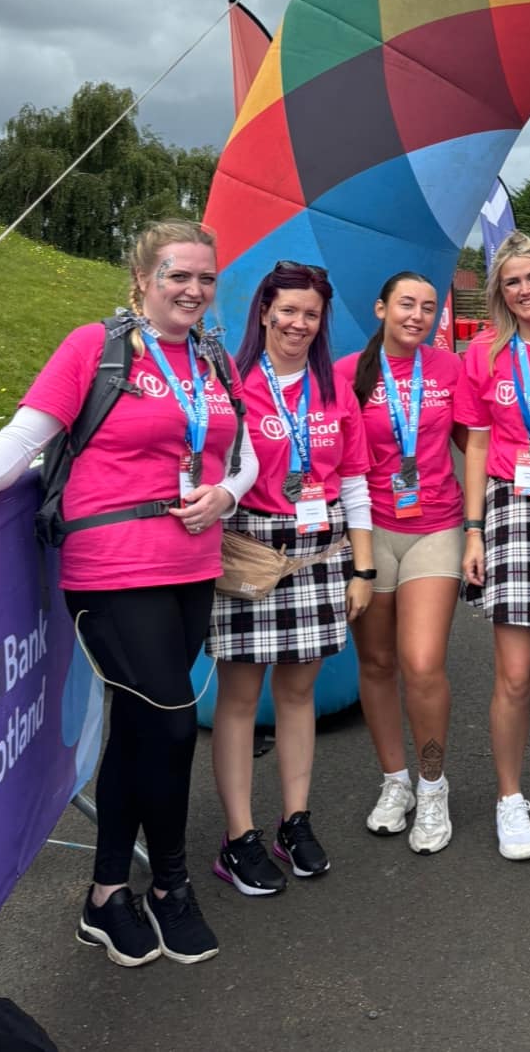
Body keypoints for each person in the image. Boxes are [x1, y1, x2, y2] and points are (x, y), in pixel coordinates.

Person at [0, 221, 257, 967]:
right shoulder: (96, 345)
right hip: (111, 565)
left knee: (143, 728)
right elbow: (29, 431)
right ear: (142, 277)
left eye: (206, 278)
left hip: (192, 564)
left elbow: (240, 453)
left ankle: (105, 893)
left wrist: (224, 493)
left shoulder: (213, 357)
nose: (193, 290)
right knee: (176, 726)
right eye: (178, 274)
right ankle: (171, 885)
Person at [207, 262, 375, 895]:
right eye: (288, 311)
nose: (299, 324)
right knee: (242, 699)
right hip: (250, 553)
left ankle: (293, 821)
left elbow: (354, 484)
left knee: (299, 695)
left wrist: (362, 568)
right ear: (264, 313)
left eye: (310, 314)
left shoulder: (334, 392)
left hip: (320, 552)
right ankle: (239, 835)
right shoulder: (232, 386)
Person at [456, 231, 530, 860]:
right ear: (500, 293)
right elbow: (475, 445)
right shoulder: (484, 354)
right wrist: (473, 530)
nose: (525, 289)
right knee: (516, 671)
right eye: (512, 282)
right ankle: (510, 799)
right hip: (510, 507)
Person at [335, 273, 465, 855]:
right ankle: (396, 783)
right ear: (381, 307)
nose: (418, 315)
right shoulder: (344, 374)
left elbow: (479, 442)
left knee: (422, 662)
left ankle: (433, 786)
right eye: (407, 304)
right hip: (369, 532)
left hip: (436, 526)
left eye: (429, 307)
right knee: (378, 661)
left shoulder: (448, 370)